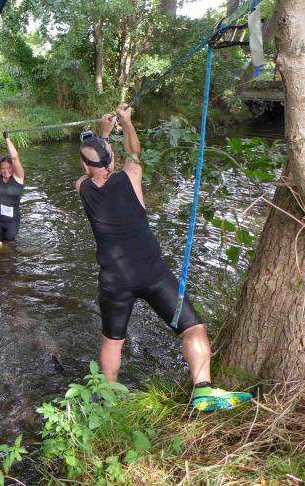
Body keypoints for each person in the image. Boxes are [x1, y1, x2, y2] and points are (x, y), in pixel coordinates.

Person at [75, 102, 252, 412]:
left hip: (114, 280)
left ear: (84, 166)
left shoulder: (82, 188)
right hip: (152, 273)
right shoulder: (131, 176)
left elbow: (97, 167)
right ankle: (203, 390)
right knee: (192, 329)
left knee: (112, 341)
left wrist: (102, 134)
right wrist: (125, 122)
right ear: (111, 159)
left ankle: (108, 403)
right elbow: (133, 153)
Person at [0, 128, 25, 251]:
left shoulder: (19, 177)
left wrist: (7, 138)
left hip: (12, 223)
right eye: (3, 168)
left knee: (8, 253)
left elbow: (14, 157)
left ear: (13, 168)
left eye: (9, 168)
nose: (6, 171)